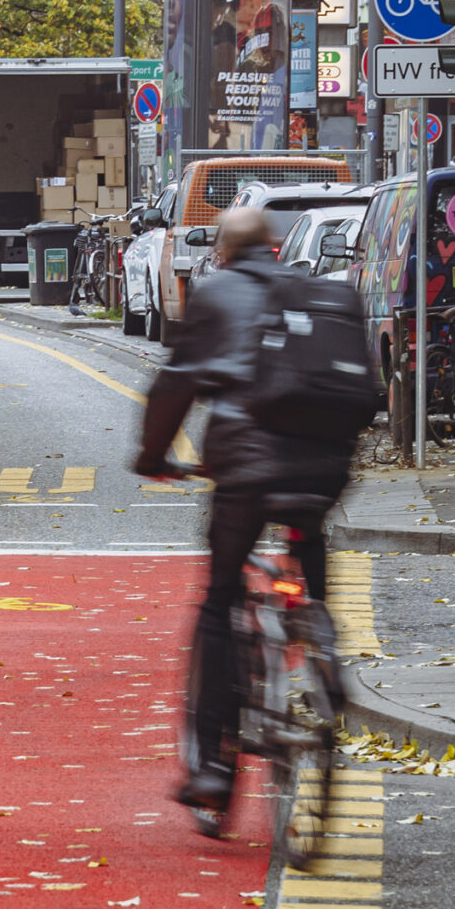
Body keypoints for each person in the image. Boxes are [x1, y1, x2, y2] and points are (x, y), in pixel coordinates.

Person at [133, 207, 356, 829]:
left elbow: (175, 384)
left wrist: (154, 456)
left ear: (223, 255)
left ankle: (212, 770)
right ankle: (323, 641)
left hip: (247, 469)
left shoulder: (217, 292)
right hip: (326, 466)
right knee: (308, 542)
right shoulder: (320, 294)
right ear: (277, 249)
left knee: (221, 598)